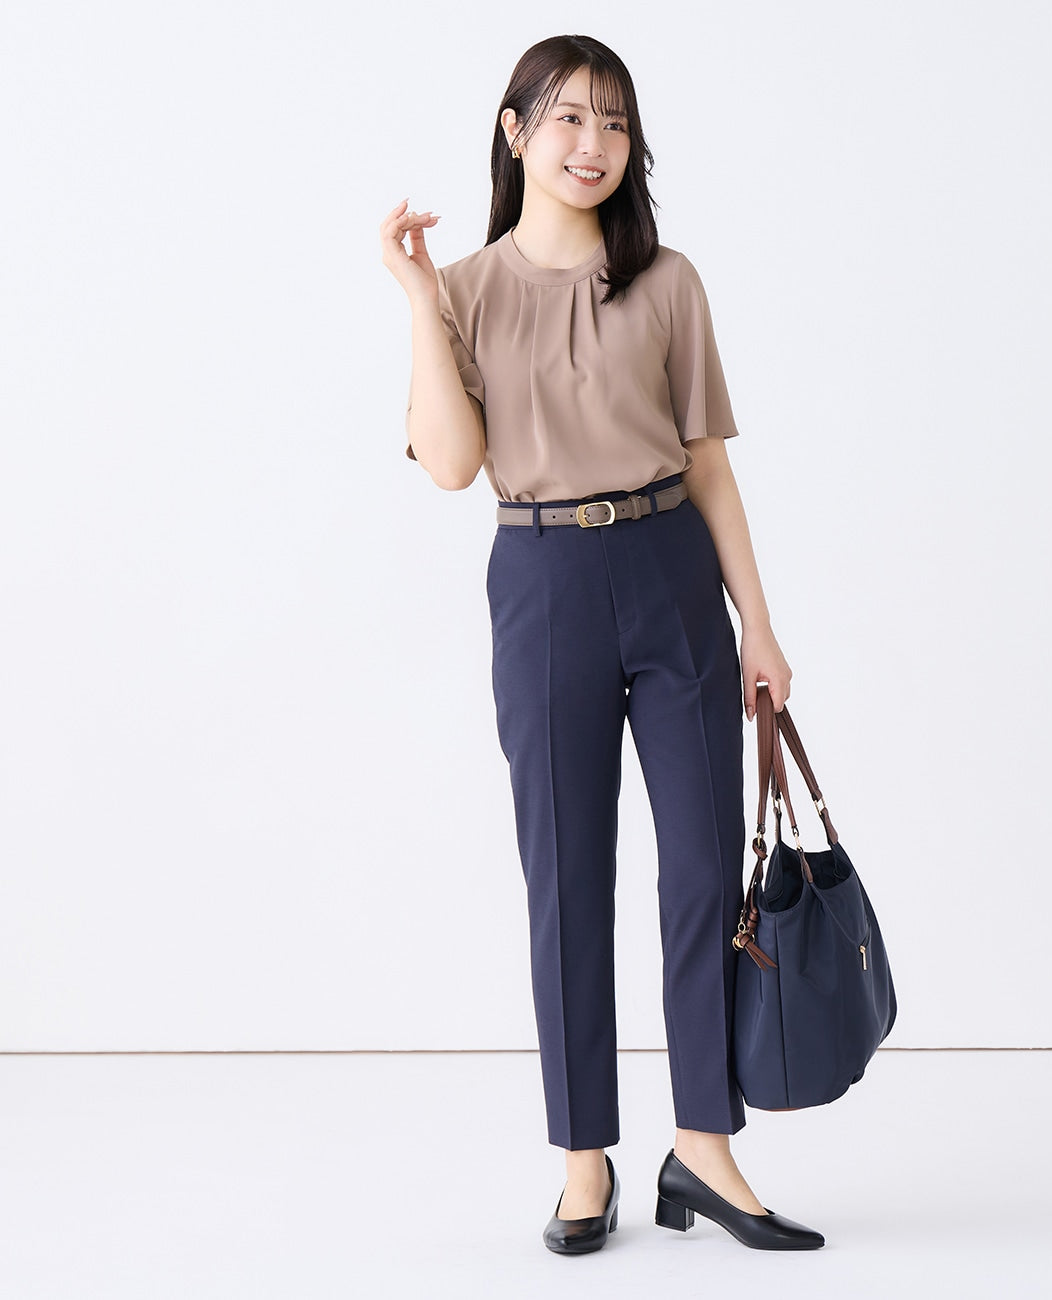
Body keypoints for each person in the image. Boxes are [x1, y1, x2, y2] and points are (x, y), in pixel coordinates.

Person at [379, 34, 823, 1255]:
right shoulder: (463, 289)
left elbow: (710, 466)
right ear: (514, 131)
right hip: (543, 583)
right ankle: (584, 1158)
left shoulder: (668, 281)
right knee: (567, 877)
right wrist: (417, 300)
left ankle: (704, 1148)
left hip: (672, 570)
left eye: (615, 122)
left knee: (703, 872)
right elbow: (453, 467)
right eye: (569, 118)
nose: (593, 144)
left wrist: (758, 625)